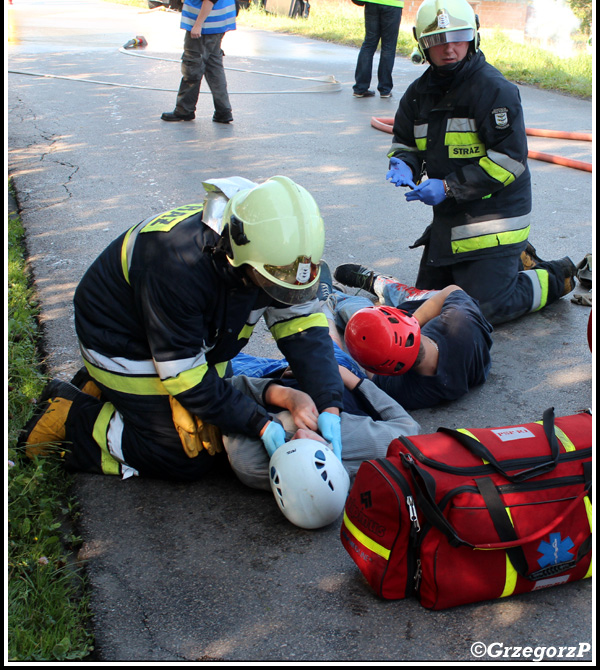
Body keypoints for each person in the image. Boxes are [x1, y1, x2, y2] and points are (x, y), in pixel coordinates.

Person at [19, 176, 346, 481]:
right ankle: (72, 420)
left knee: (218, 420)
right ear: (240, 257)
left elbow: (303, 327)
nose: (280, 296)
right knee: (181, 454)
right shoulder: (179, 263)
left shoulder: (274, 247)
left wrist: (329, 401)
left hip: (179, 337)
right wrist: (259, 425)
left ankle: (113, 394)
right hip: (119, 342)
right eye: (270, 285)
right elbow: (184, 372)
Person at [380, 0, 577, 325]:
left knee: (479, 310)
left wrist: (447, 187)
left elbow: (510, 161)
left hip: (497, 215)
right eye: (438, 40)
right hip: (451, 221)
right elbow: (405, 140)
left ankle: (554, 277)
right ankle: (512, 263)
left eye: (458, 37)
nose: (450, 47)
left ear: (473, 36)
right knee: (428, 304)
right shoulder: (417, 96)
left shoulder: (494, 90)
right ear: (422, 44)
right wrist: (403, 161)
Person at [222, 355, 420, 489]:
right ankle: (331, 299)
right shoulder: (381, 444)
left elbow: (229, 394)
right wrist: (343, 375)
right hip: (338, 376)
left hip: (264, 379)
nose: (299, 434)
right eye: (309, 445)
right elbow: (408, 425)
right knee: (325, 336)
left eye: (294, 446)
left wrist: (283, 397)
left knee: (215, 359)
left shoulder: (249, 463)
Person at [329, 264, 493, 411]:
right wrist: (411, 320)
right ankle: (380, 285)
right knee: (412, 299)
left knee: (362, 317)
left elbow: (373, 374)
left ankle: (333, 299)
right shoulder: (462, 321)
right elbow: (451, 290)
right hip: (423, 314)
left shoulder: (401, 389)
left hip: (410, 322)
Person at [161, 0, 236, 124]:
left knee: (192, 66)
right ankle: (223, 111)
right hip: (216, 26)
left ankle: (184, 110)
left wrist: (198, 24)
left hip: (206, 28)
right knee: (213, 67)